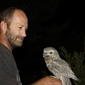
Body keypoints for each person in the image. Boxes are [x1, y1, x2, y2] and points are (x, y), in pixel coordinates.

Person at [0, 7, 62, 85]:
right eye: (20, 27)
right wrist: (46, 82)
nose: (24, 34)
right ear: (4, 26)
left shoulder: (6, 55)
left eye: (25, 29)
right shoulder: (1, 54)